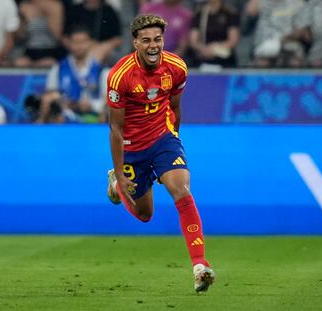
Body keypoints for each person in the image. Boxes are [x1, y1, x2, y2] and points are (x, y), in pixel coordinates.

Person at [106, 14, 215, 292]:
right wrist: (119, 171)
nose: (153, 45)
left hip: (163, 138)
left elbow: (175, 106)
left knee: (181, 187)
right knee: (145, 215)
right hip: (132, 148)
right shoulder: (120, 76)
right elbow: (116, 130)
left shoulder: (177, 67)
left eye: (157, 39)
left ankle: (200, 266)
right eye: (146, 40)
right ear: (135, 43)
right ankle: (117, 186)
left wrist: (174, 139)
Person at [46, 25, 105, 123]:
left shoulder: (102, 71)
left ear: (91, 43)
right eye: (75, 42)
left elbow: (110, 101)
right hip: (64, 122)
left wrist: (92, 105)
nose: (79, 46)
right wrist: (62, 104)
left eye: (83, 42)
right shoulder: (58, 69)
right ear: (69, 43)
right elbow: (50, 97)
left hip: (94, 121)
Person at [188, 0, 240, 69]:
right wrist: (203, 49)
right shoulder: (199, 13)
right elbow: (193, 41)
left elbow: (233, 40)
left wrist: (214, 48)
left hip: (224, 59)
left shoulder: (230, 13)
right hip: (203, 58)